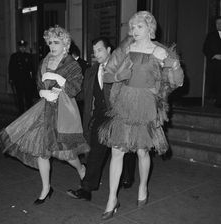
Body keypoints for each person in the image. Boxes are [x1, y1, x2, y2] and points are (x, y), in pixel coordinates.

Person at [98, 11, 184, 220]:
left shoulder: (160, 51)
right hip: (124, 102)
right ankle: (111, 199)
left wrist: (173, 68)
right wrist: (120, 75)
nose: (134, 31)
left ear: (150, 28)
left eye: (139, 27)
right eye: (133, 27)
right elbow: (108, 74)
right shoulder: (125, 49)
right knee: (117, 150)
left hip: (146, 105)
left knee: (142, 152)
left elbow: (178, 81)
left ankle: (143, 186)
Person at [0, 25, 89, 205]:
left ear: (65, 44)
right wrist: (42, 93)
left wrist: (61, 83)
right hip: (45, 111)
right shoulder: (45, 61)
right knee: (42, 151)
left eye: (56, 42)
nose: (52, 46)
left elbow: (76, 88)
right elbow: (38, 84)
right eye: (50, 42)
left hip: (64, 112)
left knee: (67, 153)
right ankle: (46, 188)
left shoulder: (71, 64)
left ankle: (81, 169)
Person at [66, 37, 136, 201]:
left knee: (124, 150)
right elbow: (84, 94)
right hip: (99, 116)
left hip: (118, 115)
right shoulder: (91, 71)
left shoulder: (120, 66)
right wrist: (66, 91)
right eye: (94, 51)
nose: (96, 54)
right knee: (95, 151)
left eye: (99, 50)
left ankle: (127, 176)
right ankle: (86, 188)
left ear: (109, 50)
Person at [8, 40, 34, 114]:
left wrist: (32, 78)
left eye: (24, 47)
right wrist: (11, 79)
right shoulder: (14, 56)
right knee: (19, 97)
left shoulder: (28, 56)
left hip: (27, 80)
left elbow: (32, 68)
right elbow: (11, 68)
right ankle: (21, 112)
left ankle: (29, 112)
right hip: (18, 80)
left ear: (25, 48)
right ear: (19, 47)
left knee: (28, 97)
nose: (22, 48)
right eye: (21, 47)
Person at [203, 16, 221, 107]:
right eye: (217, 23)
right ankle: (216, 102)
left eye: (220, 23)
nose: (219, 25)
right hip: (214, 64)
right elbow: (205, 49)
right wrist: (214, 55)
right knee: (215, 82)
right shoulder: (211, 35)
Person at [69, 42, 90, 119]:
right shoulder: (84, 63)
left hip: (78, 97)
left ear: (72, 54)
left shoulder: (75, 65)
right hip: (82, 97)